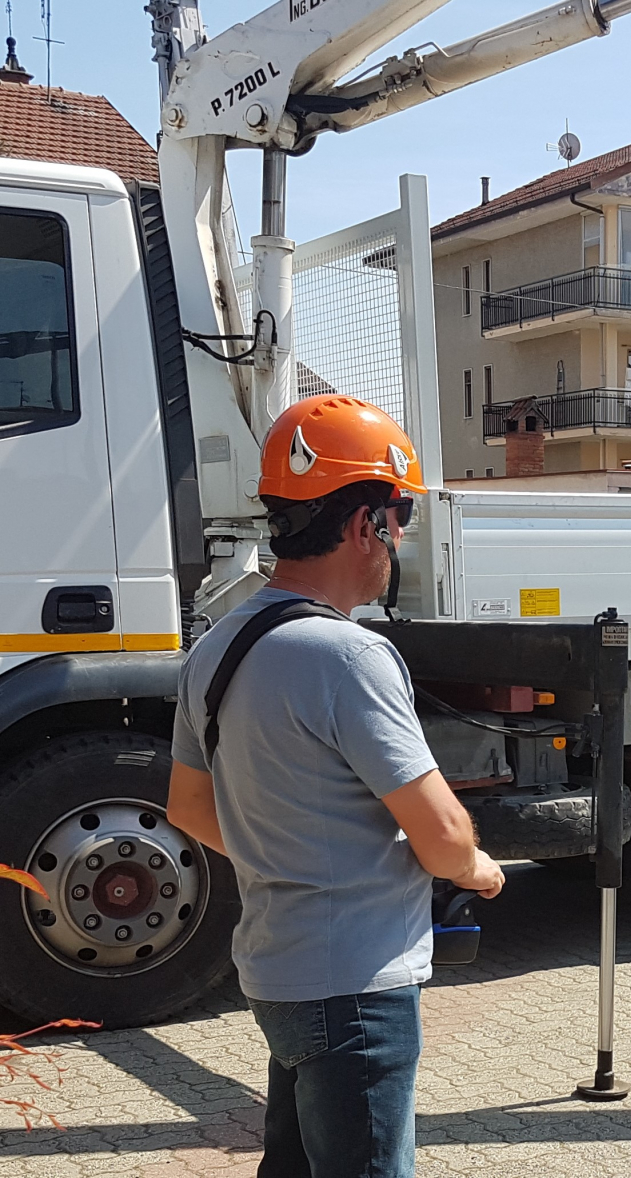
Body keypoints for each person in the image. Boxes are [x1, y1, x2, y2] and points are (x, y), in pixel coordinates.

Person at [167, 395, 504, 1178]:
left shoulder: (213, 649)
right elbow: (444, 836)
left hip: (280, 975)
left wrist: (290, 854)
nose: (402, 538)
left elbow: (188, 808)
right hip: (358, 990)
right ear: (365, 526)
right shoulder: (348, 657)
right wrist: (478, 870)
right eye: (402, 516)